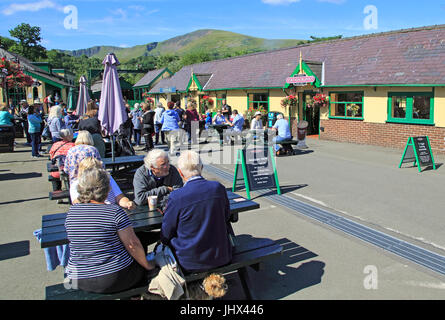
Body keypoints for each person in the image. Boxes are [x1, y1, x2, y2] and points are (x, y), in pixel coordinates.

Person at [65, 167, 156, 294]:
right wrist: (148, 265)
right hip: (114, 277)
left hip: (79, 278)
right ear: (107, 189)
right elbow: (132, 245)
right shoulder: (115, 212)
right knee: (142, 263)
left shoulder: (72, 213)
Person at [160, 150, 232, 274]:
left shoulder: (177, 196)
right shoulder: (217, 188)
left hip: (189, 261)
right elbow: (226, 217)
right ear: (202, 167)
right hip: (221, 255)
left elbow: (166, 233)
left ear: (180, 172)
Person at [70, 157, 135, 210]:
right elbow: (77, 204)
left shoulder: (108, 178)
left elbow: (119, 197)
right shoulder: (76, 184)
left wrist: (127, 203)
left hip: (111, 211)